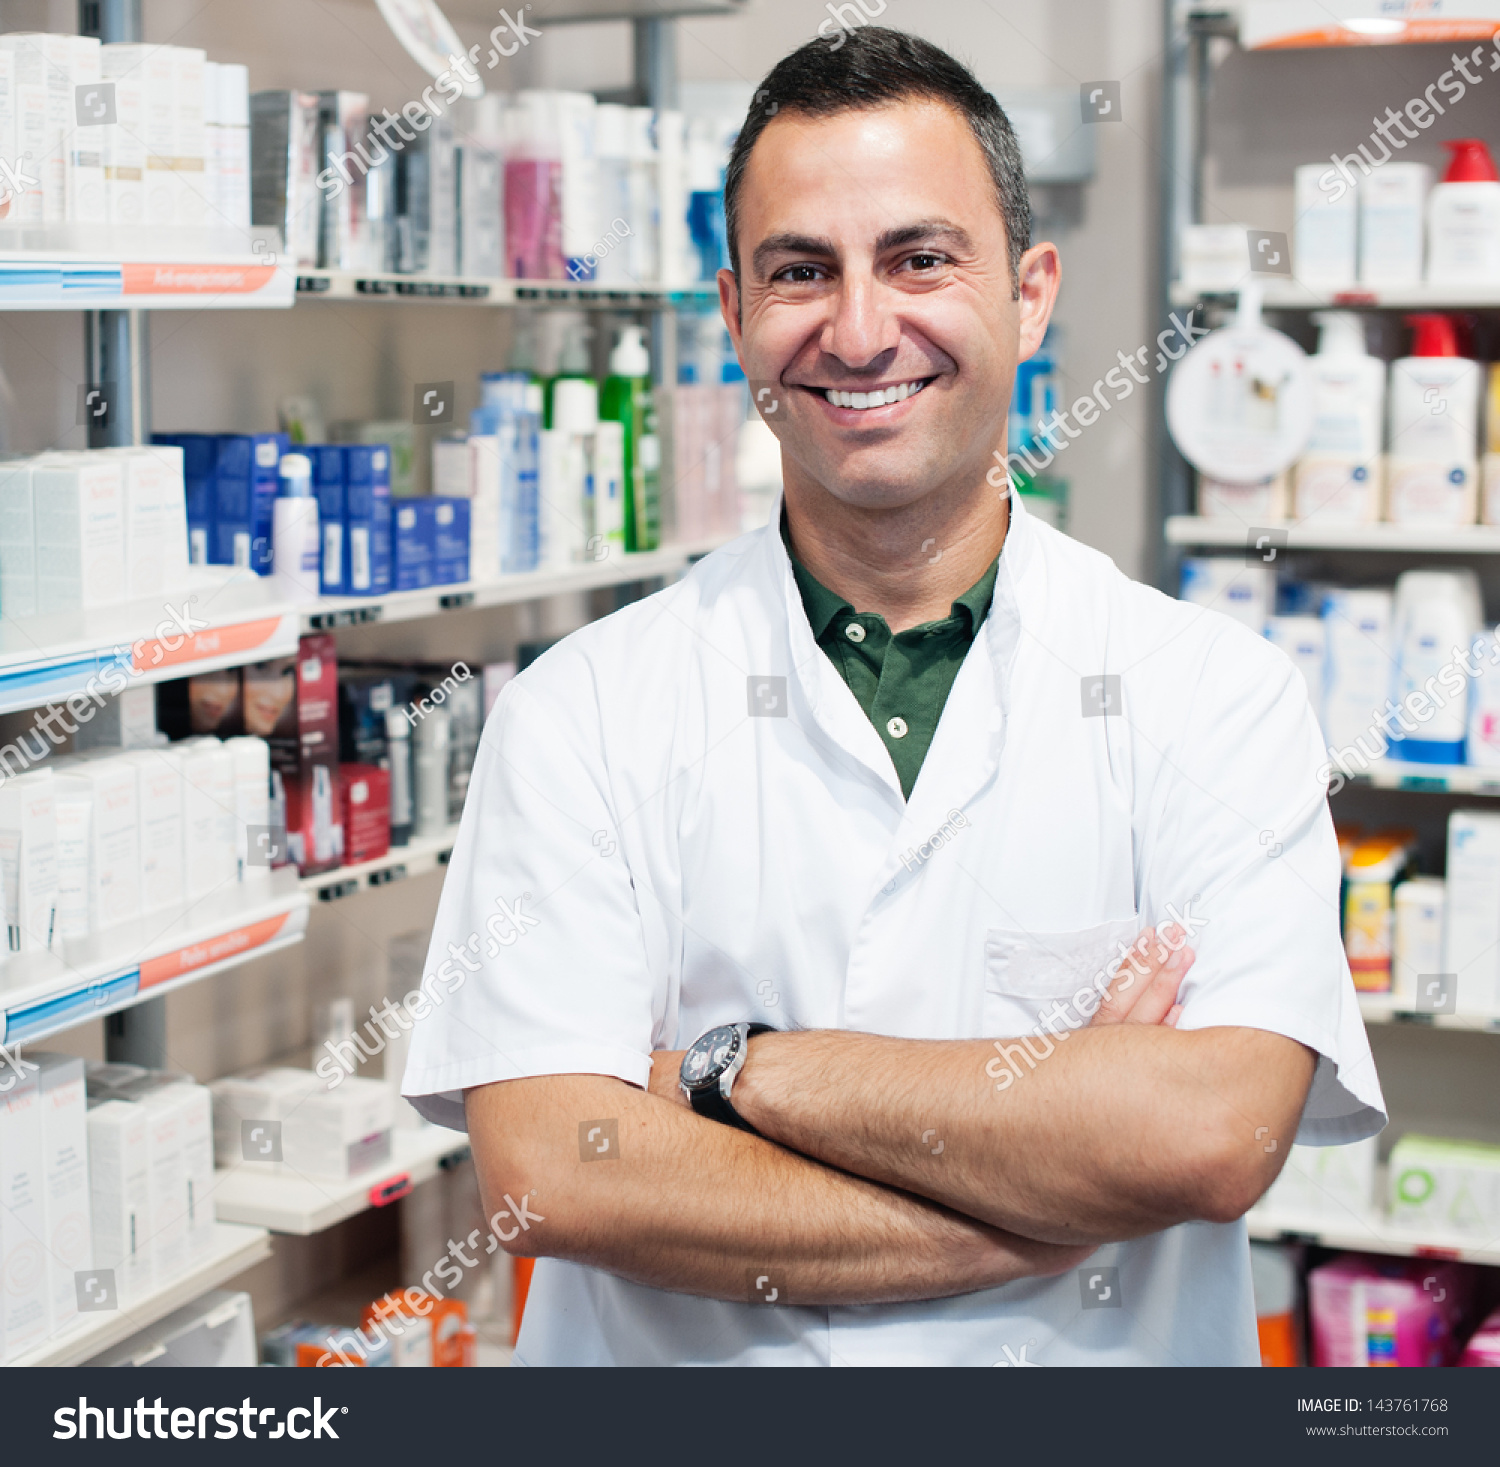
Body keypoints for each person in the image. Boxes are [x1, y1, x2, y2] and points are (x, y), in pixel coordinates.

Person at [402, 27, 1383, 1366]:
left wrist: (723, 1071)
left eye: (921, 259)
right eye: (801, 271)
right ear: (735, 311)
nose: (861, 331)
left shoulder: (1213, 700)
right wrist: (1050, 1194)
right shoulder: (583, 711)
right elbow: (552, 1170)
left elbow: (1213, 1137)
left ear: (1031, 294)